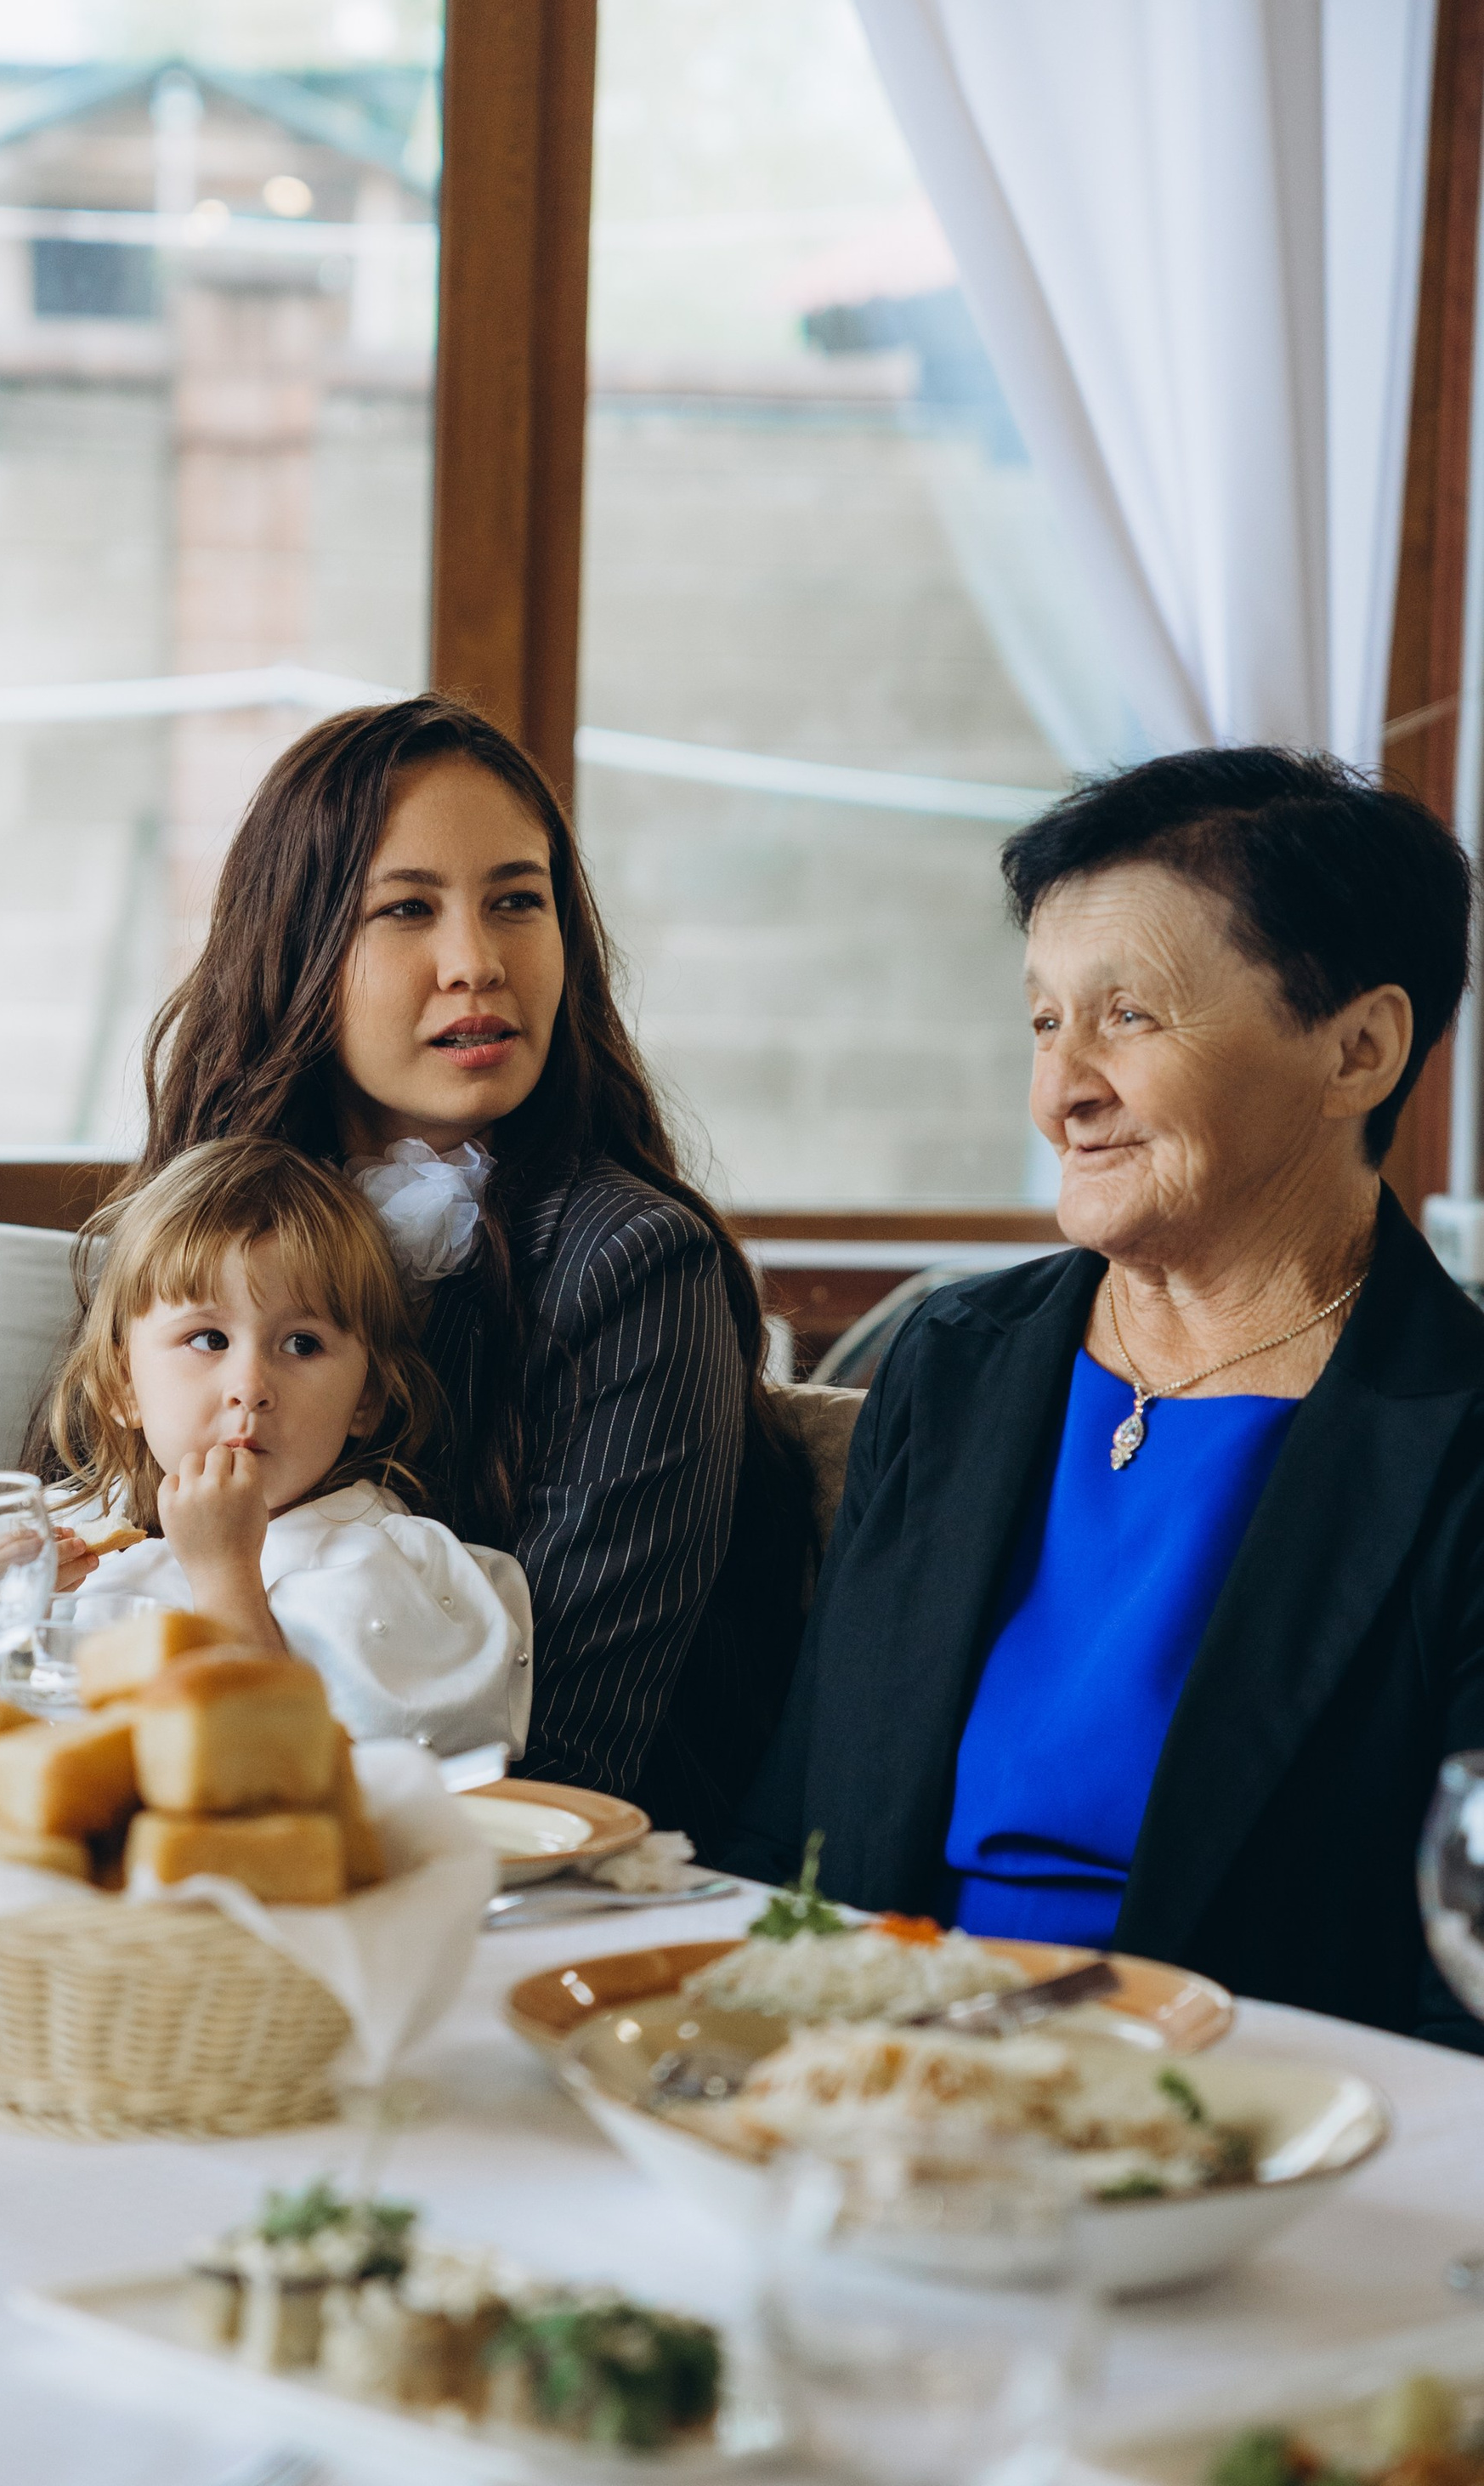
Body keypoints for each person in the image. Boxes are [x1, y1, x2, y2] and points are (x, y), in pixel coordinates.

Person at [732, 746, 1484, 2047]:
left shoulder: (1458, 1435)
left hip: (1246, 2140)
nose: (1061, 1091)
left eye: (1128, 1017)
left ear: (1358, 1050)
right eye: (1043, 1020)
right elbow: (794, 1835)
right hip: (872, 2087)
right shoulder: (953, 1360)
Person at [118, 695, 811, 1842]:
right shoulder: (205, 1232)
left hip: (543, 1904)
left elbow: (566, 1766)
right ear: (295, 945)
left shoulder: (638, 1268)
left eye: (516, 903)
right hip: (198, 1848)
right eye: (407, 909)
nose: (476, 964)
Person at [42, 1136, 531, 1757]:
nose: (250, 1388)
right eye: (208, 1340)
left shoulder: (368, 1566)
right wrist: (10, 1599)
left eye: (302, 1344)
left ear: (366, 1398)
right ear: (122, 1386)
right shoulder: (82, 1524)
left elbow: (273, 1757)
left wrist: (224, 1572)